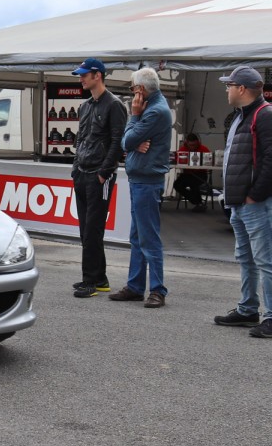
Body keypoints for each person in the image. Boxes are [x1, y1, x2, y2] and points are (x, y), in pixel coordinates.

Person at [212, 66, 272, 338]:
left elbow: (271, 160)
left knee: (265, 260)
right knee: (246, 258)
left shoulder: (265, 115)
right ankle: (248, 309)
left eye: (229, 85)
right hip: (240, 203)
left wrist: (254, 194)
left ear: (242, 89)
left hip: (255, 203)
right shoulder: (240, 116)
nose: (227, 89)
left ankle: (270, 317)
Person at [108, 68, 172, 308]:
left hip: (146, 181)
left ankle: (157, 290)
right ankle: (135, 286)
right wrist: (133, 141)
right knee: (137, 237)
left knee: (148, 237)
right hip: (141, 180)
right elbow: (131, 143)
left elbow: (127, 141)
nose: (133, 93)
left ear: (141, 90)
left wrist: (134, 117)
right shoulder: (155, 107)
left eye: (133, 88)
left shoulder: (153, 111)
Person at [70, 58, 128, 298]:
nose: (81, 78)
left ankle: (90, 281)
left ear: (98, 75)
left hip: (99, 175)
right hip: (82, 172)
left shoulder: (114, 105)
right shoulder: (85, 106)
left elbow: (118, 142)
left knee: (93, 229)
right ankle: (99, 278)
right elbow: (80, 140)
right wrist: (76, 168)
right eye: (80, 75)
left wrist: (104, 173)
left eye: (84, 74)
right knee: (86, 229)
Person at [174, 133, 211, 211]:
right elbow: (176, 160)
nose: (192, 147)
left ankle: (198, 203)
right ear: (187, 143)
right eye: (190, 145)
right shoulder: (182, 150)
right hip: (187, 174)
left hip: (200, 174)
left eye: (194, 145)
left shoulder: (204, 149)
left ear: (197, 142)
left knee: (194, 184)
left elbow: (210, 161)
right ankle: (197, 201)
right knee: (177, 185)